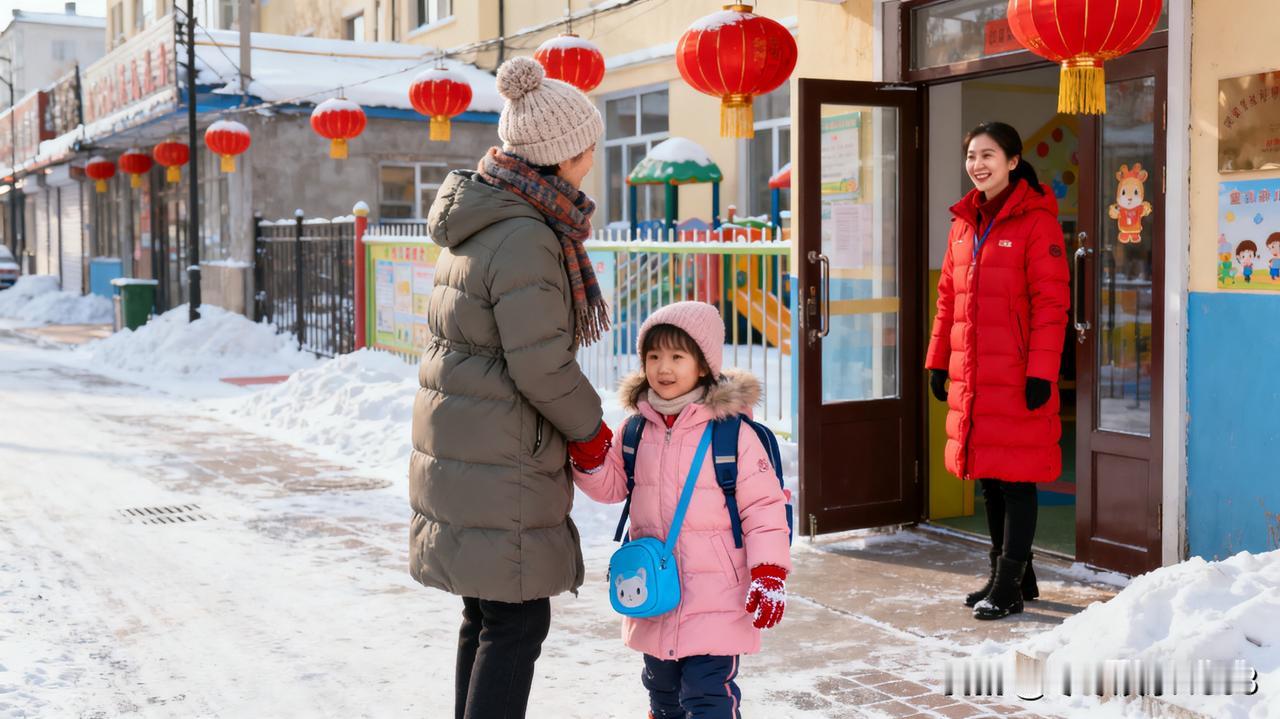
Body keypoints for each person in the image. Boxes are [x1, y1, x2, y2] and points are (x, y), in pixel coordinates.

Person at [408, 56, 610, 719]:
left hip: (469, 447)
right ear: (563, 156)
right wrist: (593, 431)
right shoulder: (527, 235)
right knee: (516, 623)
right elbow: (541, 366)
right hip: (500, 458)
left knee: (487, 614)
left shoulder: (487, 215)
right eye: (589, 149)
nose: (593, 161)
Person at [569, 301, 791, 719]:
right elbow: (612, 487)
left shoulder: (733, 434)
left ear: (704, 366)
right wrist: (590, 454)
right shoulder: (636, 428)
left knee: (707, 698)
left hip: (717, 597)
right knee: (663, 696)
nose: (663, 368)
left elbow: (765, 509)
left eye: (676, 356)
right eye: (653, 357)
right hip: (656, 595)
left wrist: (769, 573)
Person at [924, 121, 1070, 621]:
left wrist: (1042, 373)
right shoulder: (964, 223)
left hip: (1017, 374)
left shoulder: (1036, 222)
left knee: (1017, 479)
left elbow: (1052, 305)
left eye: (988, 155)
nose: (977, 164)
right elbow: (949, 299)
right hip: (975, 374)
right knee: (986, 476)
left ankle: (1007, 585)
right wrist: (938, 360)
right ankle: (1012, 574)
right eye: (971, 155)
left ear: (1013, 161)